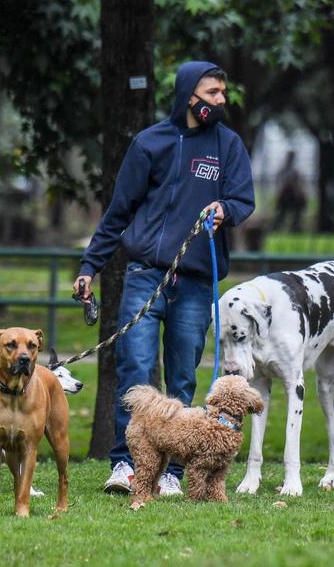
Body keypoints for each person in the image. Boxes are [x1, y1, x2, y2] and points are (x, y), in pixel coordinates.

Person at [72, 61, 255, 496]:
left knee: (183, 375)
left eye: (222, 93)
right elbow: (118, 212)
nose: (221, 101)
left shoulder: (228, 146)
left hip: (195, 280)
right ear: (189, 94)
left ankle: (173, 471)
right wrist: (89, 266)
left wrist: (224, 210)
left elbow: (243, 199)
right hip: (144, 275)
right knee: (134, 368)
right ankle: (125, 464)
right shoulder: (149, 143)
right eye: (212, 93)